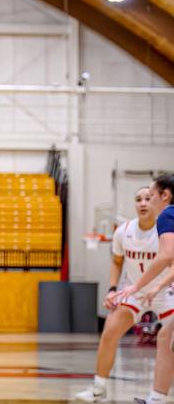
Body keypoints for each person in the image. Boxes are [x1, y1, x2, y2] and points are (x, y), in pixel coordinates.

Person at [75, 186, 173, 402]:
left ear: (157, 199)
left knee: (169, 340)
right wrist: (112, 289)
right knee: (110, 330)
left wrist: (158, 286)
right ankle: (99, 389)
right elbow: (117, 262)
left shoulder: (166, 229)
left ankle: (159, 394)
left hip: (164, 290)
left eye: (148, 198)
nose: (143, 203)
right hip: (134, 291)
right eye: (138, 199)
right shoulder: (123, 231)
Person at [113, 173, 174, 404]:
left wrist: (136, 286)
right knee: (166, 336)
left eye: (151, 194)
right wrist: (158, 285)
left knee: (167, 337)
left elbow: (166, 255)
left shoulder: (168, 213)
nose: (147, 199)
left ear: (164, 195)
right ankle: (157, 399)